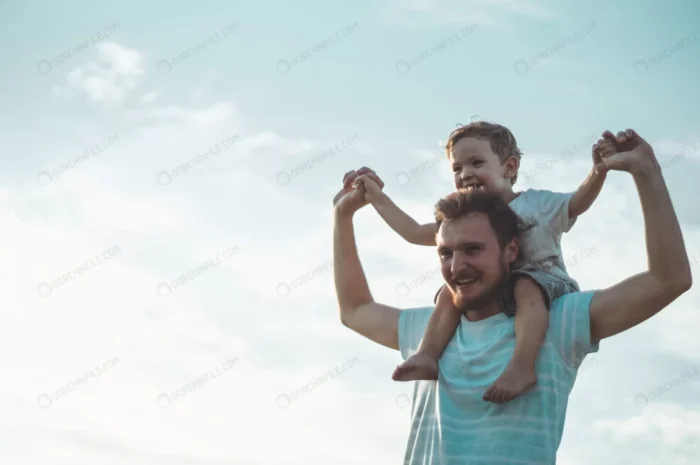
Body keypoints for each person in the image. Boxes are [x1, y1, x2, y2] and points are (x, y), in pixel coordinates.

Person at [332, 129, 691, 464]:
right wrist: (343, 215)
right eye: (445, 253)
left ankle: (521, 368)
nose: (456, 266)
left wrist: (645, 172)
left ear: (511, 249)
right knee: (445, 296)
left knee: (526, 288)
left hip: (541, 293)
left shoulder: (558, 320)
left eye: (473, 249)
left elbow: (667, 279)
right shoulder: (433, 329)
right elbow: (355, 309)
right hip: (437, 337)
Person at [351, 121, 610, 404]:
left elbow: (578, 203)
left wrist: (599, 170)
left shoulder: (537, 204)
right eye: (457, 168)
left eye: (476, 163)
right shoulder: (462, 220)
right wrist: (375, 196)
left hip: (546, 285)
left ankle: (522, 366)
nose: (466, 174)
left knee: (525, 284)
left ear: (509, 168)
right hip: (494, 292)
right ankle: (427, 353)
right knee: (450, 293)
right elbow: (412, 231)